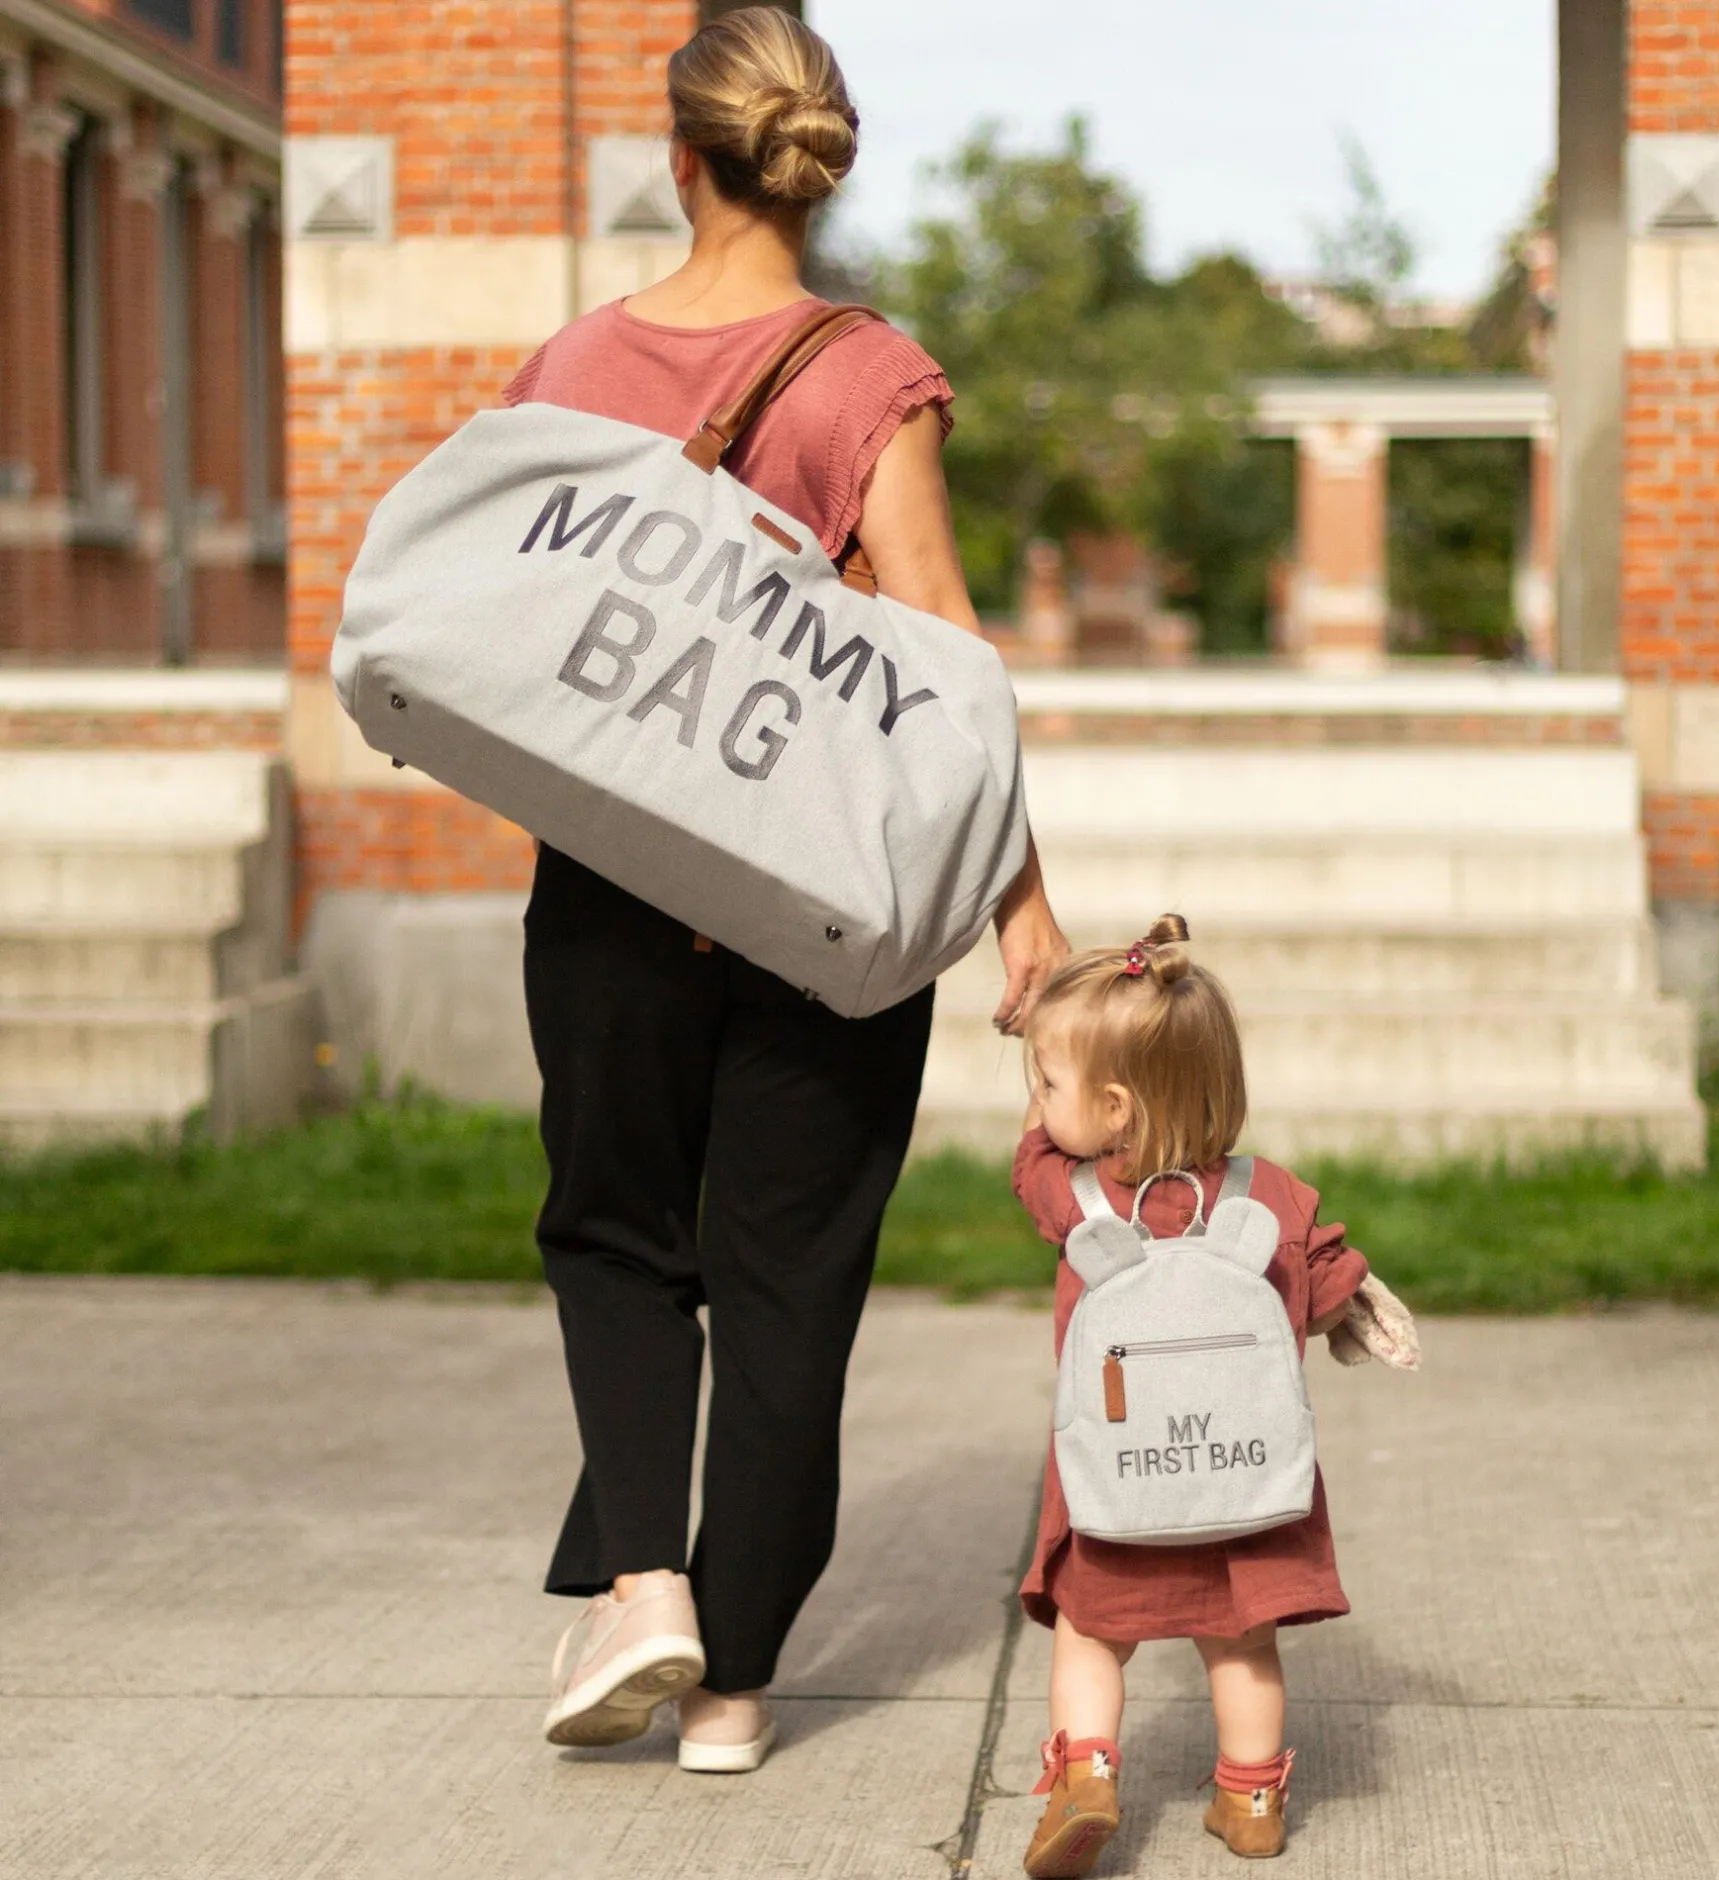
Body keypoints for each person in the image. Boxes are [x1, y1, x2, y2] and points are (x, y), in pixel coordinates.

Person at [503, 11, 1068, 1772]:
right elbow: (946, 663)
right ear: (818, 166)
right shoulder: (863, 376)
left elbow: (520, 639)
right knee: (785, 1285)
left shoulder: (569, 370)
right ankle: (734, 1688)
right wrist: (1021, 910)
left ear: (682, 155)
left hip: (611, 889)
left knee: (614, 1236)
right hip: (826, 910)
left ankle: (647, 1587)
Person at [1012, 916, 1371, 1871]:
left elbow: (1033, 1164)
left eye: (1049, 1086)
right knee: (1243, 1644)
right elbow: (1330, 1282)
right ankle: (1250, 1802)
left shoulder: (1077, 1198)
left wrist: (1049, 1099)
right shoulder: (1271, 1196)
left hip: (1121, 1482)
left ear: (1115, 1109)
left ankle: (1085, 1776)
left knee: (1091, 1633)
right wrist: (1352, 1310)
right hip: (1242, 1485)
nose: (1038, 1105)